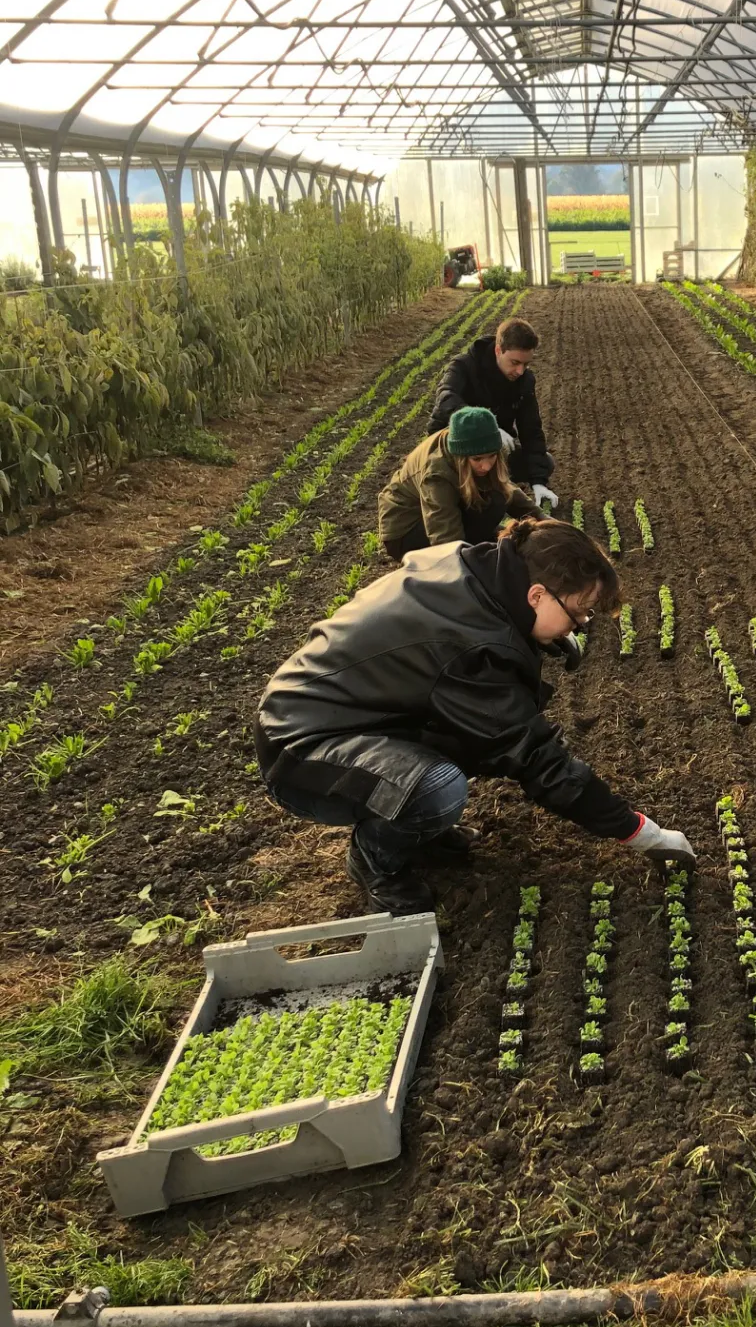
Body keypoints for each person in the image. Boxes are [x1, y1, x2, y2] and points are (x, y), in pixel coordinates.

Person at [254, 519, 695, 916]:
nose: (580, 624)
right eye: (578, 611)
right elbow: (535, 758)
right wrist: (639, 831)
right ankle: (374, 859)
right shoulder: (472, 648)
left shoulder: (477, 567)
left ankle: (417, 830)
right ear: (537, 594)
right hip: (299, 746)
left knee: (474, 741)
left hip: (350, 713)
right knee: (439, 788)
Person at [428, 316, 558, 511]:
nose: (520, 371)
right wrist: (487, 428)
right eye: (514, 362)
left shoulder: (524, 381)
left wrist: (538, 482)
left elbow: (531, 429)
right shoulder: (464, 367)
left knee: (545, 462)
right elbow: (445, 398)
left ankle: (489, 487)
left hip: (491, 454)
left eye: (526, 364)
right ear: (499, 350)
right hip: (453, 450)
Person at [379, 406, 541, 561]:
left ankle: (478, 542)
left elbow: (505, 486)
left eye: (491, 456)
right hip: (406, 529)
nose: (486, 466)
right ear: (461, 457)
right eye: (477, 459)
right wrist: (462, 567)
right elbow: (443, 535)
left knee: (496, 500)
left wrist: (543, 519)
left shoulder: (476, 443)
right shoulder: (437, 473)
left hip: (434, 515)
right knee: (489, 512)